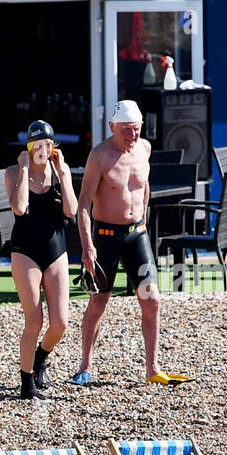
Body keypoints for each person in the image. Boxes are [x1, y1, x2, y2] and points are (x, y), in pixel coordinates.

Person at [70, 100, 189, 386]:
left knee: (152, 301)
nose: (131, 136)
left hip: (137, 234)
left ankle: (152, 368)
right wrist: (87, 245)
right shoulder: (99, 155)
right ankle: (85, 365)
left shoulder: (144, 149)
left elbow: (143, 187)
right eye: (125, 130)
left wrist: (143, 222)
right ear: (112, 127)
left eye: (136, 129)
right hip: (106, 236)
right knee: (99, 301)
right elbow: (84, 203)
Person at [6, 120, 77, 399]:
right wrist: (24, 169)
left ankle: (39, 358)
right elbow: (20, 207)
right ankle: (27, 384)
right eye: (38, 145)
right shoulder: (13, 172)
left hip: (55, 250)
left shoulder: (60, 171)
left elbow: (71, 210)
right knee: (34, 320)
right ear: (29, 147)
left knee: (60, 323)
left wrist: (63, 174)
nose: (44, 150)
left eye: (48, 144)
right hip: (25, 250)